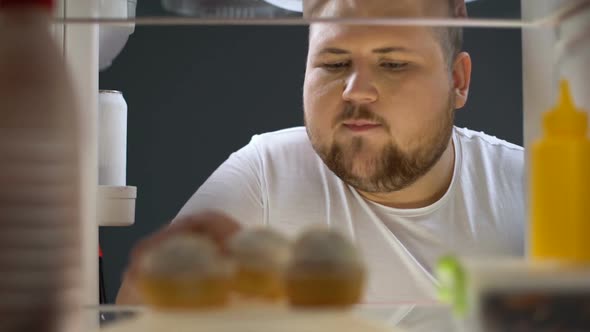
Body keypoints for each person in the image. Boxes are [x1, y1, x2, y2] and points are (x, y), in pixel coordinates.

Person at [117, 0, 525, 329]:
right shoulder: (267, 174)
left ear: (458, 80)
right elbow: (138, 313)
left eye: (393, 63)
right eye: (334, 63)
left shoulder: (531, 188)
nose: (357, 91)